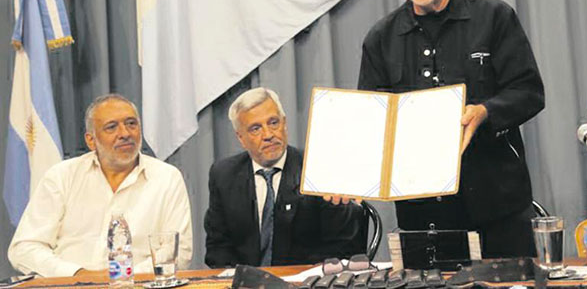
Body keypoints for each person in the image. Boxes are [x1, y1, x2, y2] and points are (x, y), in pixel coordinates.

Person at [357, 0, 545, 258]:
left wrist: (485, 111)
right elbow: (371, 123)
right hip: (422, 216)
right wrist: (349, 177)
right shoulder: (380, 38)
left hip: (498, 209)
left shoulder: (494, 17)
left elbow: (529, 92)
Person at [8, 94, 193, 277]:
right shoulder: (61, 177)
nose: (125, 134)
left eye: (131, 124)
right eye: (111, 127)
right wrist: (77, 274)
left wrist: (120, 278)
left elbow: (177, 251)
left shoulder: (166, 178)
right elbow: (24, 247)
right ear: (91, 140)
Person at [204, 87, 366, 267]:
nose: (268, 135)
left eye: (273, 123)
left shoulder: (316, 168)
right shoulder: (223, 175)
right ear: (241, 138)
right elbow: (218, 248)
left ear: (285, 123)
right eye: (256, 128)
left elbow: (343, 245)